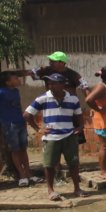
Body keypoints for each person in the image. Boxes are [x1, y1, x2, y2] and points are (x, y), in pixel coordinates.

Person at [23, 73, 83, 201]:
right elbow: (27, 114)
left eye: (54, 83)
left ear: (62, 84)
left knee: (73, 163)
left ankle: (77, 188)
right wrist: (39, 129)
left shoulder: (73, 99)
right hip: (51, 137)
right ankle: (50, 190)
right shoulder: (43, 98)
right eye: (49, 83)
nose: (50, 85)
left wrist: (80, 127)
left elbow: (79, 114)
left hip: (69, 135)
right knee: (49, 165)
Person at [0, 71, 37, 186]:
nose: (18, 80)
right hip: (9, 124)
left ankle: (28, 173)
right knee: (15, 150)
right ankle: (22, 175)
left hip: (20, 122)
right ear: (8, 82)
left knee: (23, 148)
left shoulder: (16, 91)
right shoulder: (1, 92)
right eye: (15, 78)